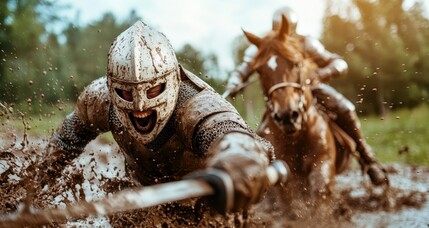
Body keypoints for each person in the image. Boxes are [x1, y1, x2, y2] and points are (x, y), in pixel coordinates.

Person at [36, 20, 278, 213]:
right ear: (112, 88)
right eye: (126, 93)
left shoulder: (197, 106)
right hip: (142, 198)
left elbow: (233, 136)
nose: (140, 106)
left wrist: (238, 162)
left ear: (172, 81)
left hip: (205, 202)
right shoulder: (99, 100)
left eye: (152, 91)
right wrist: (36, 185)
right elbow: (66, 140)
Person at [225, 6, 389, 186]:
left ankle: (368, 160)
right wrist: (234, 83)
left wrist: (322, 74)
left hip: (312, 89)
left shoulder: (306, 43)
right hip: (279, 99)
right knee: (261, 135)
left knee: (346, 109)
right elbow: (242, 70)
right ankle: (258, 180)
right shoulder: (263, 46)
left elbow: (338, 63)